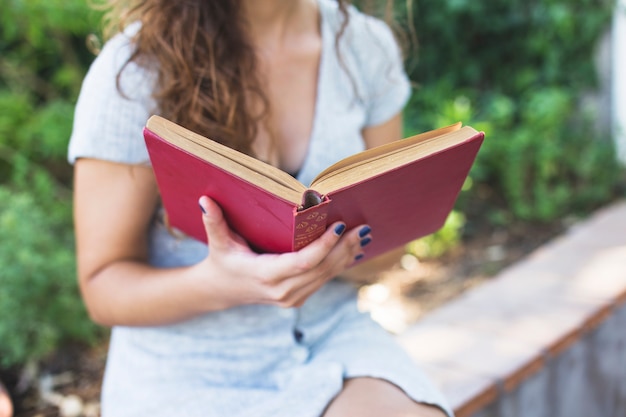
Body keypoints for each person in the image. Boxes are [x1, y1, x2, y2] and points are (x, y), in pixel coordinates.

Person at [68, 1, 453, 416]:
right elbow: (102, 285)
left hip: (331, 340)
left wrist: (334, 256)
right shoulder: (134, 70)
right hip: (188, 369)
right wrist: (218, 283)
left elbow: (387, 251)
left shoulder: (362, 46)